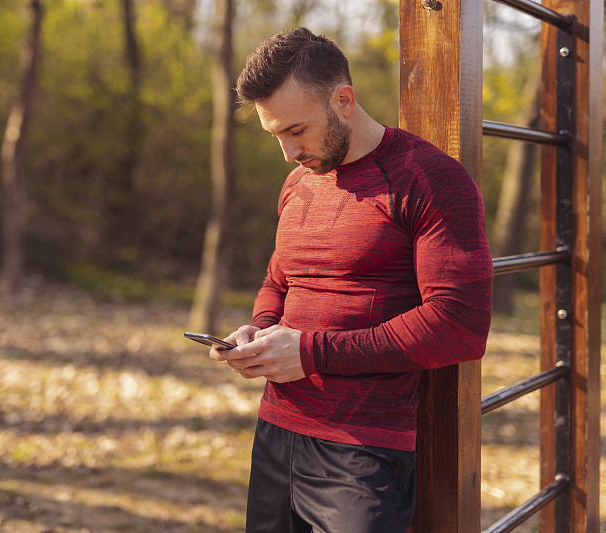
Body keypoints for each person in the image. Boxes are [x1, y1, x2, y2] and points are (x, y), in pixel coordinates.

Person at [209, 27, 493, 533]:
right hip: (276, 433)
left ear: (344, 100)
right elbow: (280, 281)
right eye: (276, 135)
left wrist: (312, 352)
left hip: (362, 454)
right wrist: (258, 331)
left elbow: (460, 325)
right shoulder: (298, 182)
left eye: (296, 131)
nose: (288, 153)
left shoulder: (429, 179)